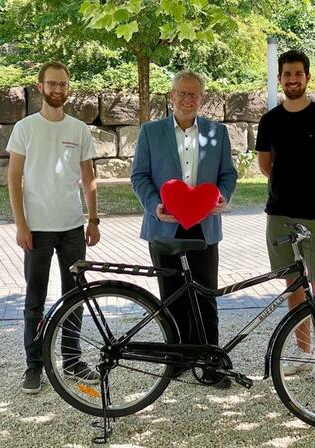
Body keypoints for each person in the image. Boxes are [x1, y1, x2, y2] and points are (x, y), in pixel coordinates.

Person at [131, 69, 238, 389]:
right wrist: (155, 206)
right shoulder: (151, 132)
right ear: (171, 96)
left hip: (204, 226)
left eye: (194, 94)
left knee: (206, 297)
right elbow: (140, 176)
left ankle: (210, 362)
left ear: (201, 98)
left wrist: (222, 196)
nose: (188, 99)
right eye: (182, 93)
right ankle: (177, 360)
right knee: (171, 297)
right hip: (164, 227)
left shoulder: (217, 133)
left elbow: (228, 175)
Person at [255, 50, 315, 389]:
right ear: (279, 78)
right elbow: (266, 166)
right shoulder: (270, 122)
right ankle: (300, 351)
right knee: (293, 286)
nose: (292, 79)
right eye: (287, 74)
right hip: (279, 215)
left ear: (307, 77)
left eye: (298, 73)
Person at [7, 61, 101, 394]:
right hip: (37, 229)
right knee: (35, 299)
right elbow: (14, 178)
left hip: (73, 228)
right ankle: (34, 366)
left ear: (68, 87)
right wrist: (21, 224)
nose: (58, 90)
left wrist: (93, 219)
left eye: (63, 84)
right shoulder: (25, 128)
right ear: (40, 86)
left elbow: (89, 179)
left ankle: (72, 359)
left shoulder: (78, 129)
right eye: (52, 84)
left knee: (74, 296)